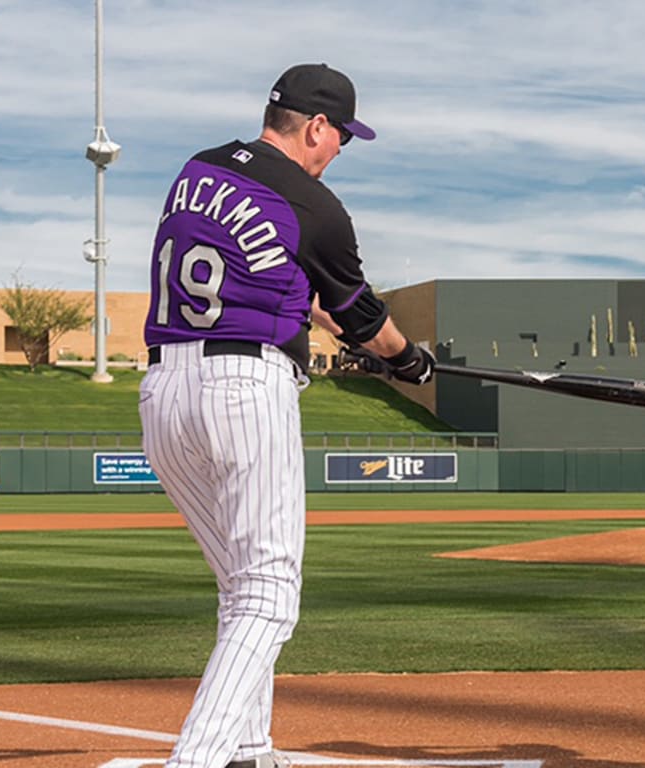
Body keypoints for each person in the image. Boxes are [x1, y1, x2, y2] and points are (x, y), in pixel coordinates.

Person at [140, 63, 434, 768]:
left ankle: (248, 748)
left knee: (241, 585)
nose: (339, 153)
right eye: (341, 139)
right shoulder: (317, 206)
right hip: (244, 390)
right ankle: (197, 760)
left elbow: (238, 268)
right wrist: (406, 360)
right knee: (269, 594)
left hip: (163, 392)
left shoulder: (198, 168)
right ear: (315, 126)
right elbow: (364, 317)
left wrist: (305, 311)